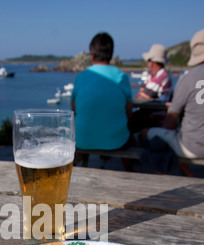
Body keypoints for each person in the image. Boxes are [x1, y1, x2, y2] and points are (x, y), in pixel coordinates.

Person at [141, 29, 204, 176]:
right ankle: (187, 174)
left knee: (148, 135)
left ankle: (161, 179)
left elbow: (171, 120)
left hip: (192, 146)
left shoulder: (188, 78)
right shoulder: (168, 76)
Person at [71, 32, 132, 162]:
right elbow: (129, 112)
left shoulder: (81, 77)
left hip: (82, 140)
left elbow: (74, 109)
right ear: (111, 54)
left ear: (91, 54)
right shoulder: (121, 77)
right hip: (116, 141)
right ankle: (129, 170)